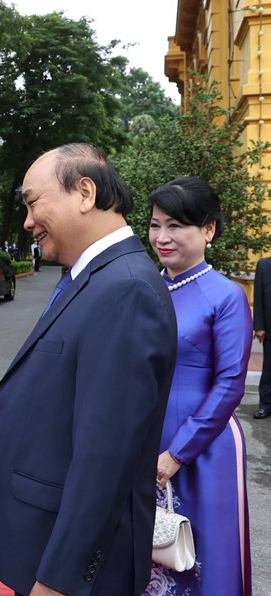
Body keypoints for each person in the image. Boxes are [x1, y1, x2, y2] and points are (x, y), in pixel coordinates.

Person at [0, 143, 178, 595]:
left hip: (67, 574)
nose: (27, 221)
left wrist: (59, 580)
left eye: (33, 203)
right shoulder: (91, 277)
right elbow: (45, 395)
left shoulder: (126, 291)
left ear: (85, 193)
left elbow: (104, 460)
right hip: (40, 547)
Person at [143, 176, 252, 594]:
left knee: (200, 555)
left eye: (175, 226)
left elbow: (230, 383)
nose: (162, 237)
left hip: (204, 444)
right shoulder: (145, 288)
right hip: (145, 435)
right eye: (155, 225)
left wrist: (177, 454)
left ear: (208, 230)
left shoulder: (225, 295)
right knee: (145, 547)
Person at [253, 256, 271, 419]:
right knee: (269, 369)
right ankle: (265, 405)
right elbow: (258, 296)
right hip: (270, 326)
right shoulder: (264, 265)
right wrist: (259, 326)